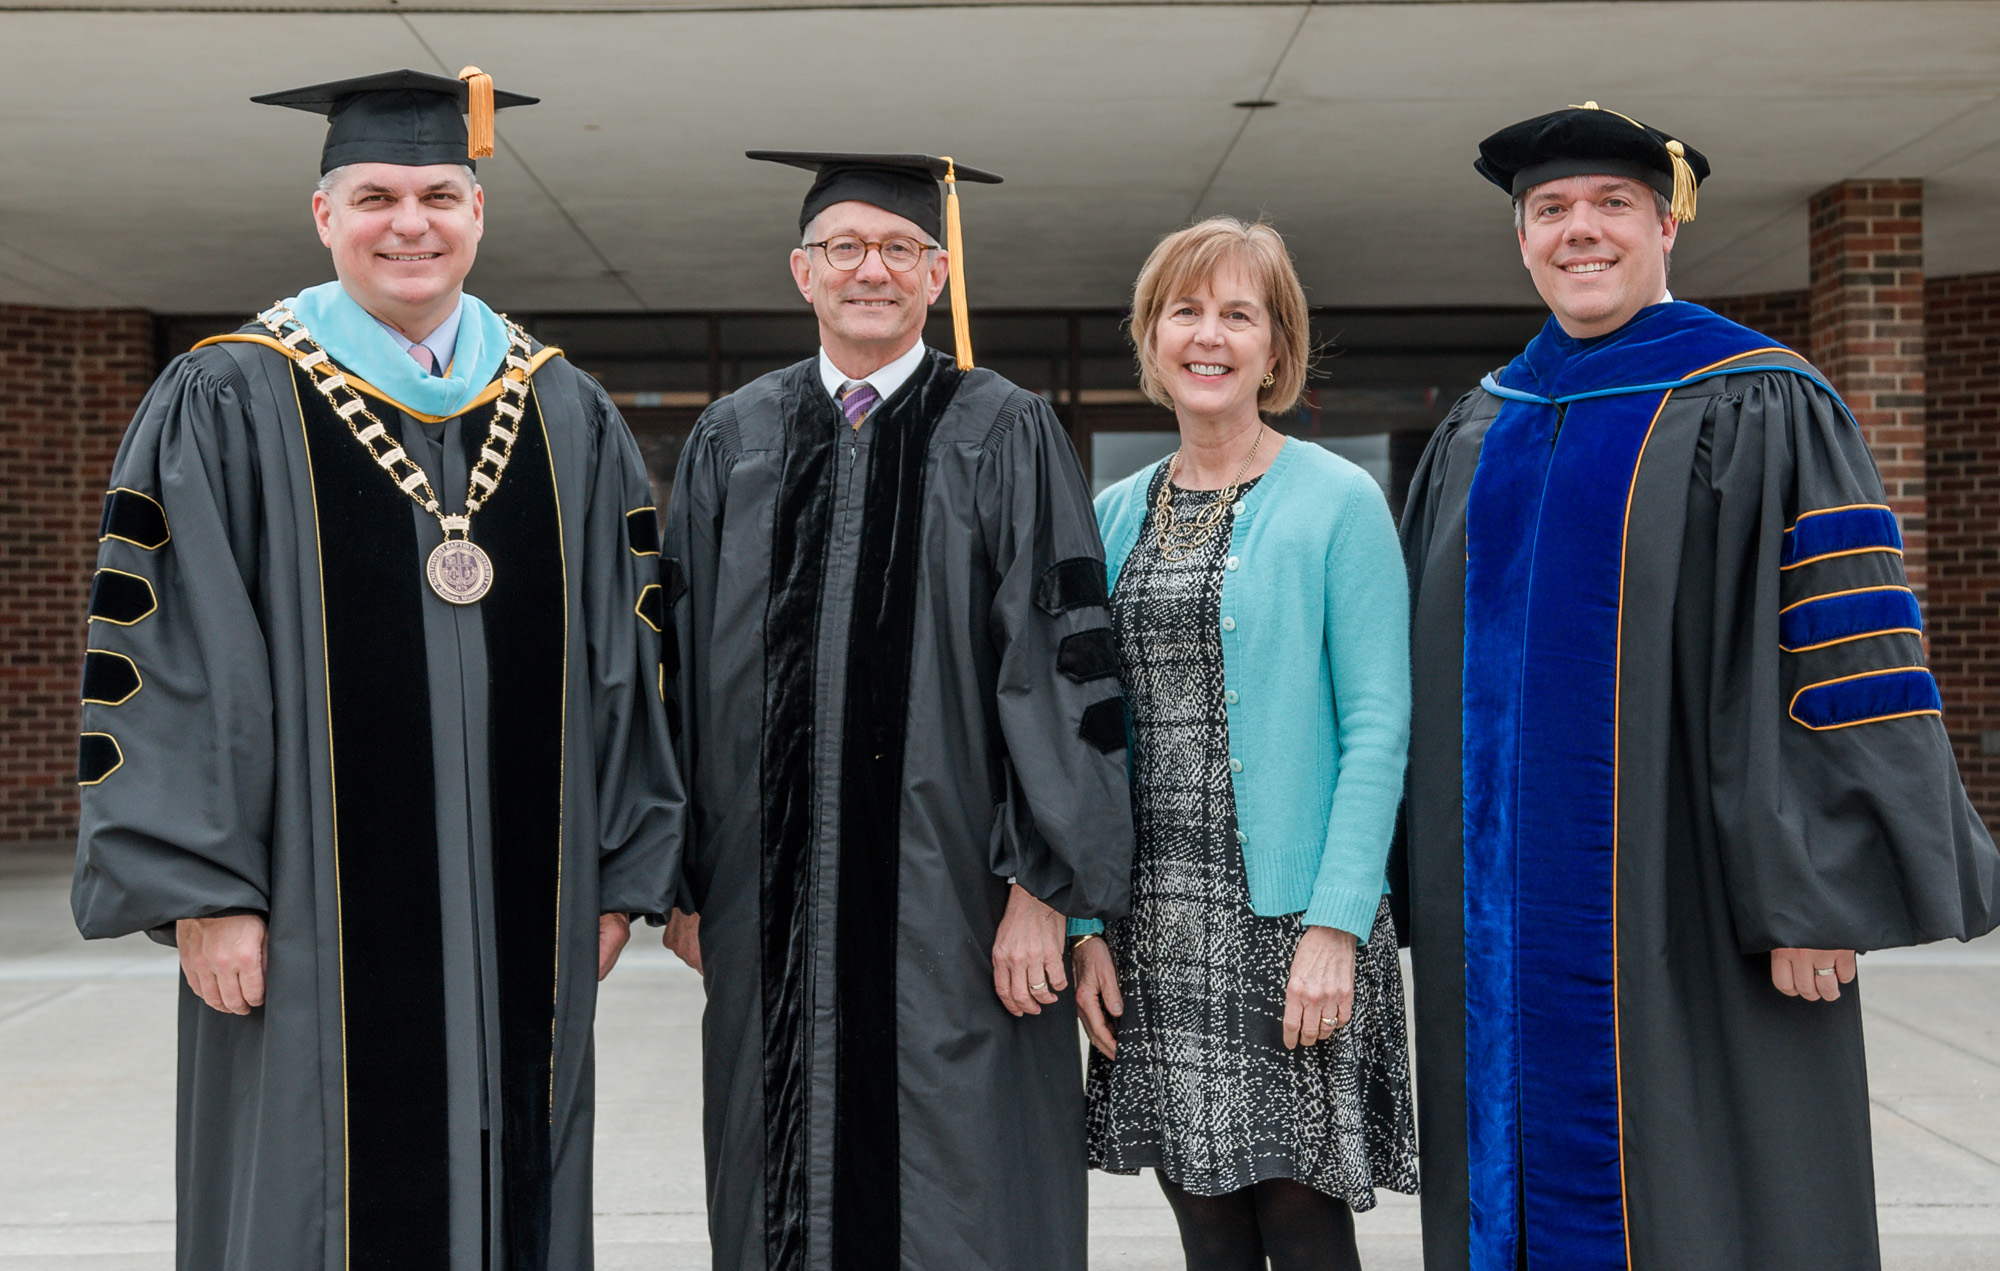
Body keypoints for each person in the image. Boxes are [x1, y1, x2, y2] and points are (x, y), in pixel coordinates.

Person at [69, 69, 683, 1270]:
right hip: (299, 914)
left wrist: (617, 868)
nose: (411, 221)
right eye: (376, 195)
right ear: (323, 215)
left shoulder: (561, 408)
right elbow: (170, 646)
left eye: (439, 194)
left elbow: (629, 651)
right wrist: (204, 889)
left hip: (526, 910)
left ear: (478, 214)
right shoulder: (232, 392)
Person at [1397, 102, 2000, 1271]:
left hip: (1692, 898)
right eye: (1551, 210)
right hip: (1501, 917)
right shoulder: (1485, 423)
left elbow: (1840, 648)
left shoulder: (1761, 398)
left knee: (1704, 1191)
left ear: (1665, 223)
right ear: (1520, 239)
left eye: (1611, 204)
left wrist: (1818, 890)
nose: (1580, 230)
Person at [658, 150, 1134, 1271]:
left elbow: (1060, 666)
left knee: (958, 1192)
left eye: (897, 250)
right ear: (801, 271)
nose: (868, 270)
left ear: (936, 273)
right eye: (843, 249)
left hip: (956, 905)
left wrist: (1040, 890)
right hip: (765, 907)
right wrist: (681, 877)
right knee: (778, 1183)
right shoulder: (733, 440)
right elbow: (672, 674)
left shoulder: (1003, 429)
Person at [1070, 216, 1418, 1271]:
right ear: (1150, 338)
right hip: (1154, 927)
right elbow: (1081, 735)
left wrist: (1336, 924)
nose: (1207, 335)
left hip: (1287, 926)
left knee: (1303, 1229)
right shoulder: (1109, 514)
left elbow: (1376, 726)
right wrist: (1088, 921)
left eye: (1237, 313)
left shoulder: (1337, 502)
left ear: (1276, 345)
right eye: (1184, 311)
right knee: (1207, 1231)